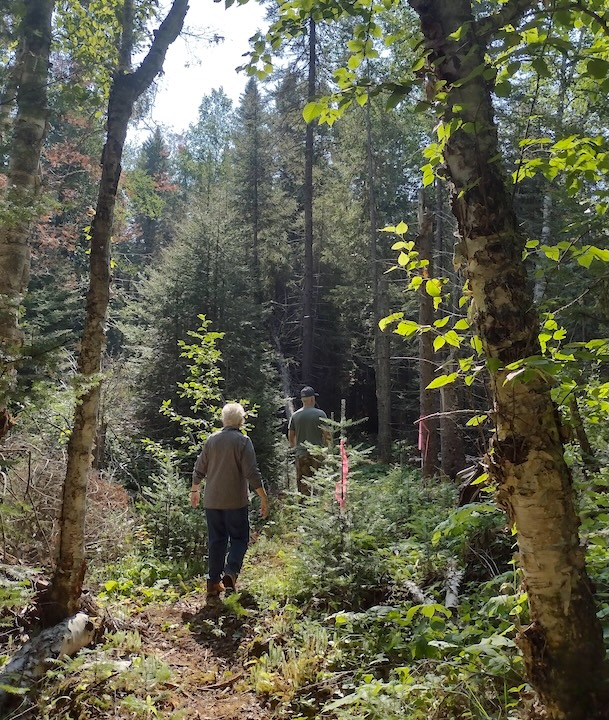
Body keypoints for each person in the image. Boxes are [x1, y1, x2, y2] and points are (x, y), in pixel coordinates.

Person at [190, 402, 269, 601]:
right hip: (235, 501)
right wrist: (263, 496)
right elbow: (251, 472)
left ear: (223, 419)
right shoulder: (243, 441)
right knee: (239, 538)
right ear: (241, 420)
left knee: (216, 541)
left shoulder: (211, 440)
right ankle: (231, 572)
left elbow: (199, 468)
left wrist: (195, 489)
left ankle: (212, 582)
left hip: (212, 501)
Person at [288, 386, 331, 494]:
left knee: (303, 485)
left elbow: (291, 435)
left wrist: (295, 447)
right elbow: (327, 435)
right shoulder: (320, 414)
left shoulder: (295, 415)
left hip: (301, 454)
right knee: (318, 484)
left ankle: (303, 509)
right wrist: (326, 449)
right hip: (317, 454)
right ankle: (318, 508)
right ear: (312, 399)